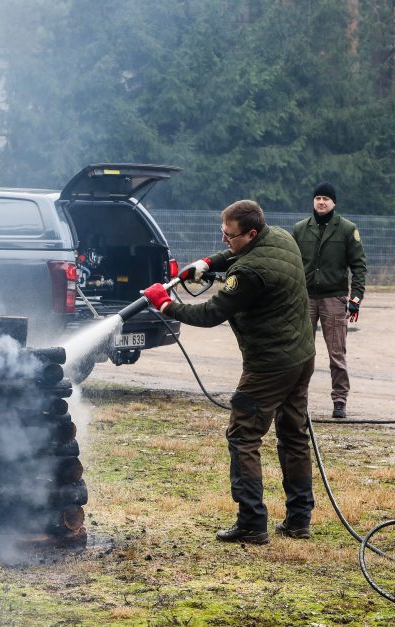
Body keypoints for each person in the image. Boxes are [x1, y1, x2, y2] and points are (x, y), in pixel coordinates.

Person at [142, 200, 316, 544]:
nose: (225, 241)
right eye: (222, 233)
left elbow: (210, 313)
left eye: (230, 236)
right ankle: (299, 520)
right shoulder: (281, 237)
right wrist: (206, 263)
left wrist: (165, 303)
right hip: (301, 356)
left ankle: (251, 523)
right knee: (294, 436)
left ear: (251, 233)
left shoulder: (249, 273)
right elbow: (234, 256)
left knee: (243, 436)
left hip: (269, 365)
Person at [292, 183, 368, 419]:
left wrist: (355, 298)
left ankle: (339, 400)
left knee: (337, 353)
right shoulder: (300, 229)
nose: (321, 202)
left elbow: (359, 266)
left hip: (334, 298)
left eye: (326, 198)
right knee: (299, 352)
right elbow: (291, 264)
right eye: (318, 198)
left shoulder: (346, 229)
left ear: (334, 203)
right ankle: (296, 399)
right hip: (305, 299)